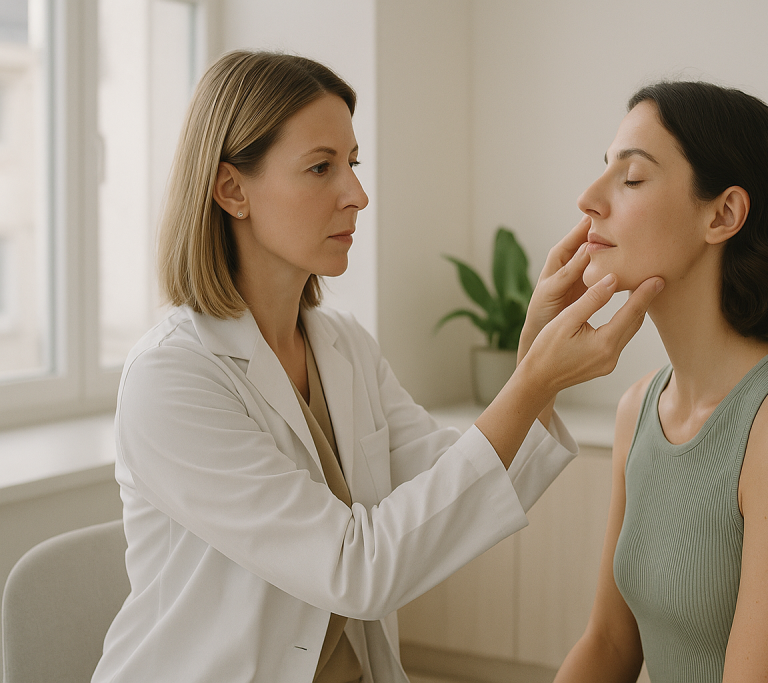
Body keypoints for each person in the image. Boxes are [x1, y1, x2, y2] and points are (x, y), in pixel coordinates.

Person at [91, 50, 663, 683]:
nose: (357, 195)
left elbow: (447, 484)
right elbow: (355, 569)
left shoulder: (341, 344)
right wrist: (533, 381)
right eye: (320, 168)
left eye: (352, 164)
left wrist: (535, 358)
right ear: (232, 190)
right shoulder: (171, 379)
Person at [554, 81, 768, 683]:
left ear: (722, 214)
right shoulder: (639, 408)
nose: (589, 199)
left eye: (633, 178)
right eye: (603, 172)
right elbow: (609, 648)